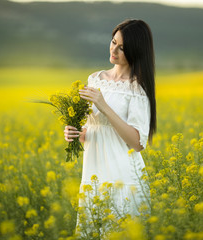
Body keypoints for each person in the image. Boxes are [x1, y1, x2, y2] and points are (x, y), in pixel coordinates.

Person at [64, 19, 156, 236]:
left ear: (135, 51)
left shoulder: (137, 88)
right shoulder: (95, 79)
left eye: (122, 47)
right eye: (113, 42)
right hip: (93, 171)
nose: (114, 50)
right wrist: (75, 133)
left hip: (123, 174)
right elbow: (91, 130)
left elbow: (137, 142)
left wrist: (103, 105)